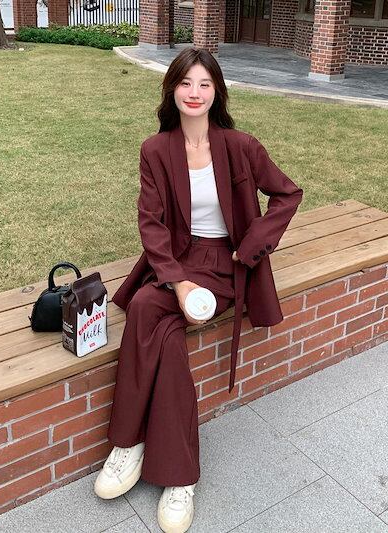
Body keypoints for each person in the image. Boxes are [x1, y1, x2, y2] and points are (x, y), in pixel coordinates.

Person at [93, 46, 303, 532]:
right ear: (172, 89)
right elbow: (151, 224)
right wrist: (180, 283)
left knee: (149, 310)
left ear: (217, 92)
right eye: (186, 83)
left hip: (226, 264)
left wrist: (250, 247)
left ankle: (134, 446)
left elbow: (287, 194)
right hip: (178, 260)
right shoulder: (155, 149)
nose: (194, 92)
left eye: (204, 84)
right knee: (151, 311)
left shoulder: (242, 145)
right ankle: (153, 460)